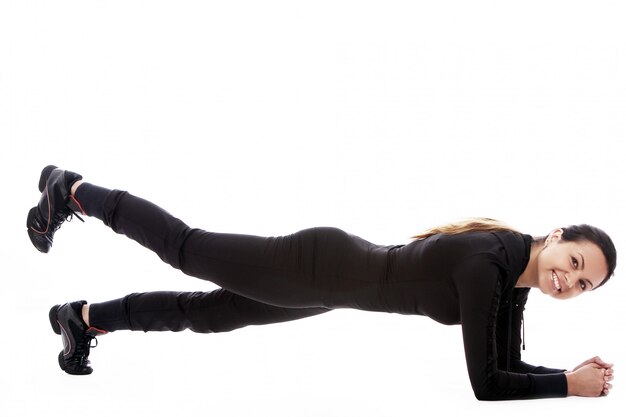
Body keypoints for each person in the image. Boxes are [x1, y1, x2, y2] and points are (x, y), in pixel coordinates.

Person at [26, 165, 616, 401]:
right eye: (575, 261)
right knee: (186, 249)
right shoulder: (491, 263)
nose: (569, 279)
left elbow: (509, 364)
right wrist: (568, 385)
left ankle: (82, 319)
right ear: (557, 235)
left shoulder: (512, 277)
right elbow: (486, 384)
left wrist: (565, 377)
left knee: (206, 314)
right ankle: (72, 190)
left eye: (583, 284)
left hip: (328, 287)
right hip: (322, 269)